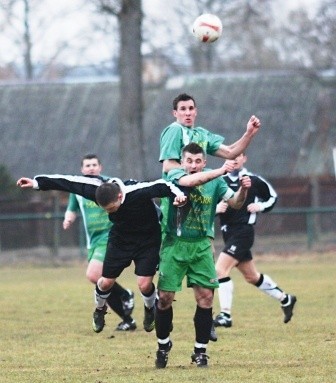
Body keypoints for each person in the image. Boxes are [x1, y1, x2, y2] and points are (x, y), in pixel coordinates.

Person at [17, 173, 186, 334]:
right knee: (105, 282)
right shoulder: (94, 189)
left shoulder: (137, 191)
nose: (110, 212)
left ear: (120, 197)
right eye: (107, 210)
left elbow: (164, 185)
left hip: (147, 240)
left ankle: (150, 310)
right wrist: (37, 183)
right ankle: (99, 310)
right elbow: (67, 182)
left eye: (112, 209)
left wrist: (179, 196)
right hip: (120, 239)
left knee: (144, 284)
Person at [154, 143, 251, 369]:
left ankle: (200, 351)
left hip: (201, 246)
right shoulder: (172, 176)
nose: (194, 165)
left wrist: (244, 190)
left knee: (206, 298)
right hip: (174, 245)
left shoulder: (215, 182)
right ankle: (163, 345)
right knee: (165, 298)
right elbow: (186, 186)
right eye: (189, 161)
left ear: (204, 163)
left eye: (198, 161)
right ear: (182, 162)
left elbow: (235, 203)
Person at [213, 153, 297, 329]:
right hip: (228, 233)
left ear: (245, 159)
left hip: (243, 232)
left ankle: (225, 315)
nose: (234, 159)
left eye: (238, 156)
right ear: (225, 160)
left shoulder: (253, 180)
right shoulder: (219, 181)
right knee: (252, 276)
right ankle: (286, 299)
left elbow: (272, 197)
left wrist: (260, 206)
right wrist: (215, 209)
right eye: (231, 156)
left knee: (220, 270)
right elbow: (207, 205)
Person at [63, 154, 135, 332]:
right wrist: (68, 220)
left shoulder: (108, 185)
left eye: (94, 164)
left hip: (110, 236)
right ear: (82, 169)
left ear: (100, 167)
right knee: (102, 283)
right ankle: (127, 319)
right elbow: (72, 209)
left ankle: (125, 295)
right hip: (93, 241)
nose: (91, 168)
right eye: (87, 165)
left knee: (94, 275)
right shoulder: (78, 190)